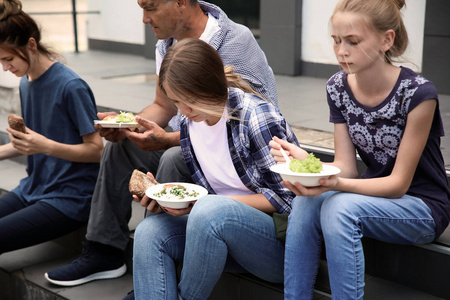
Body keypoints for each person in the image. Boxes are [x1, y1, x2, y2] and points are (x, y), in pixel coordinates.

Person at [46, 0, 279, 286]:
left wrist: (169, 139)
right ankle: (104, 250)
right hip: (195, 148)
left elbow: (249, 124)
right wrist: (130, 125)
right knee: (120, 147)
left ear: (181, 2)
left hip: (236, 168)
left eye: (151, 8)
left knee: (171, 157)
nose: (144, 19)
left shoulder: (235, 41)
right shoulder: (165, 45)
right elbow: (164, 106)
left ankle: (164, 266)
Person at [269, 0, 450, 299]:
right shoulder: (337, 88)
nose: (341, 50)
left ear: (386, 40)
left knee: (339, 208)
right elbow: (347, 166)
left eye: (352, 41)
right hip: (370, 195)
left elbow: (398, 184)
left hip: (422, 206)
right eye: (337, 40)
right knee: (306, 202)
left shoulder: (418, 94)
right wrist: (307, 162)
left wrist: (336, 184)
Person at [132, 37, 299, 300]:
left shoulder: (255, 117)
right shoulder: (190, 123)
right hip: (213, 236)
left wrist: (210, 205)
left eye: (189, 101)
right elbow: (207, 204)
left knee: (211, 209)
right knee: (148, 232)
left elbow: (289, 198)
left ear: (210, 85)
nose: (183, 111)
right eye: (176, 102)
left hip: (277, 246)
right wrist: (167, 198)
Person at [0, 0, 103, 254]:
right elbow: (31, 144)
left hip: (71, 197)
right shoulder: (26, 82)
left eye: (9, 58)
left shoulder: (71, 86)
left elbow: (97, 150)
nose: (5, 67)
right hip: (33, 187)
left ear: (31, 45)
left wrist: (46, 146)